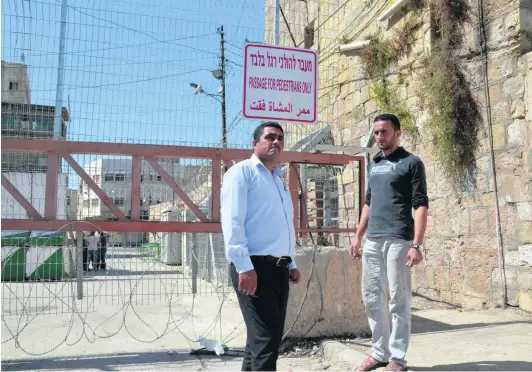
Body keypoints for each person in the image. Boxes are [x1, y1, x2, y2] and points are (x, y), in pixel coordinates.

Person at [349, 113, 428, 372]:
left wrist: (416, 244)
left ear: (397, 133)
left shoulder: (411, 163)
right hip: (373, 241)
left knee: (398, 299)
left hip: (398, 239)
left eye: (384, 132)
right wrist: (358, 236)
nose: (379, 137)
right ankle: (379, 352)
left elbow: (420, 205)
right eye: (376, 132)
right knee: (372, 296)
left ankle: (397, 359)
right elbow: (368, 203)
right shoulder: (375, 164)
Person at [221, 121, 301, 371]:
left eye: (280, 138)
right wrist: (244, 266)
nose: (276, 141)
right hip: (254, 267)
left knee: (264, 339)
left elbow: (284, 226)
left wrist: (292, 262)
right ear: (255, 144)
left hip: (278, 269)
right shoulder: (241, 173)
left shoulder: (277, 181)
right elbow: (232, 222)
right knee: (265, 340)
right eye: (269, 137)